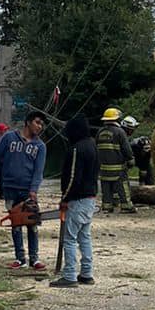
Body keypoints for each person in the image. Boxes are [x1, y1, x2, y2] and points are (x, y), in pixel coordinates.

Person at [0, 111, 49, 272]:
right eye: (37, 122)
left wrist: (34, 189)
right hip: (9, 187)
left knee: (32, 223)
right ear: (28, 122)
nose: (39, 126)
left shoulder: (40, 146)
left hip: (28, 190)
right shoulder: (9, 138)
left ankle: (34, 258)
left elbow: (38, 171)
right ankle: (20, 258)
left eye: (41, 124)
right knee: (16, 222)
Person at [50, 113, 98, 288]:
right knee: (84, 237)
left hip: (77, 199)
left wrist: (65, 198)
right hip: (90, 197)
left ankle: (69, 275)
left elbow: (72, 178)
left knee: (69, 239)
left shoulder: (77, 149)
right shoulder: (92, 146)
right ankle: (86, 273)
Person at [96, 107, 135, 213]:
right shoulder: (120, 132)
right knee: (123, 186)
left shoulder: (100, 132)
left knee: (106, 188)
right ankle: (126, 206)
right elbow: (126, 148)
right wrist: (130, 160)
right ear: (117, 119)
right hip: (118, 167)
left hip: (103, 168)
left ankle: (107, 206)